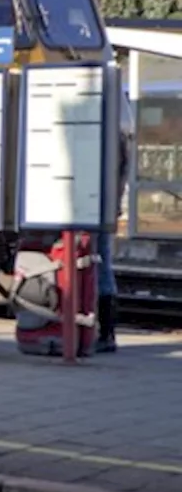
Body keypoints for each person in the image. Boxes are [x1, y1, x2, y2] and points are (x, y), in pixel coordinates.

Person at [95, 86, 135, 353]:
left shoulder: (102, 135)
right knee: (103, 267)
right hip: (106, 208)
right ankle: (106, 332)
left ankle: (104, 333)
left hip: (93, 208)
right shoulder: (120, 136)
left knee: (99, 267)